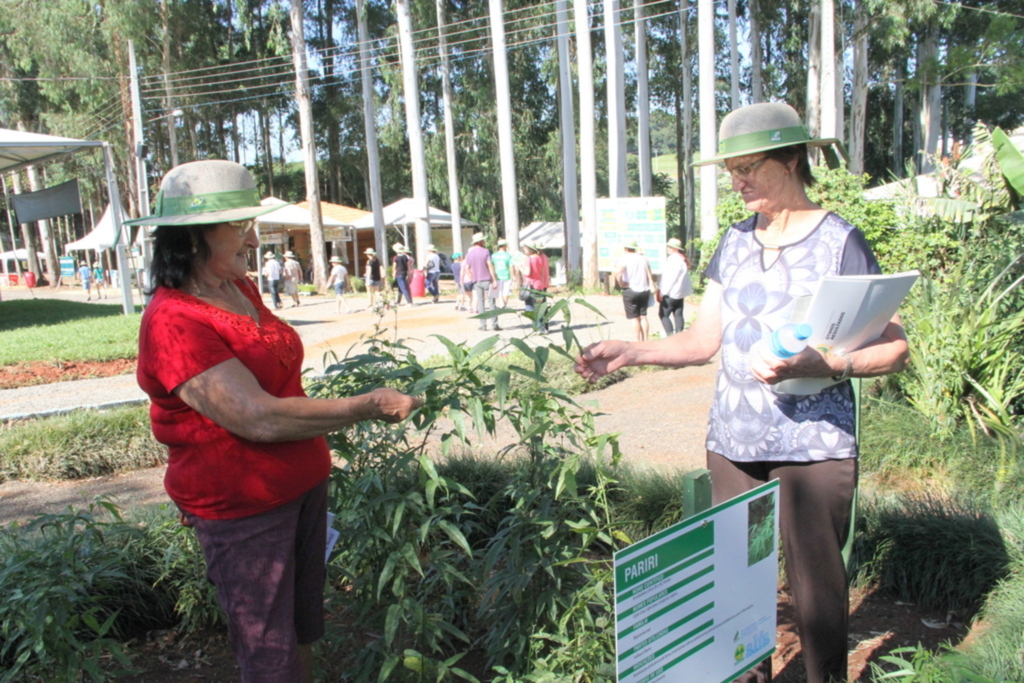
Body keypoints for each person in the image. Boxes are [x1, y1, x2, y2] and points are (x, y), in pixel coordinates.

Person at [574, 102, 909, 683]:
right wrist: (633, 351)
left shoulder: (840, 242)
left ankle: (823, 676)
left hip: (815, 447)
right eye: (731, 169)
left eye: (750, 166)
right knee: (737, 583)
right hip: (733, 442)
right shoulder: (732, 242)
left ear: (793, 160)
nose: (738, 181)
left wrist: (831, 362)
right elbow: (705, 340)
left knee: (816, 588)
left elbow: (896, 346)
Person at [126, 160, 421, 683]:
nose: (254, 236)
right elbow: (255, 417)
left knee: (300, 627)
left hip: (303, 487)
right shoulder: (173, 321)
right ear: (194, 238)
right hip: (244, 508)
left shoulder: (239, 288)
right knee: (268, 647)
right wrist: (367, 405)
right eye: (239, 226)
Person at [614, 241, 654, 342]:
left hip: (631, 289)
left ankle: (636, 340)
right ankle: (646, 339)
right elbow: (650, 273)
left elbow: (618, 272)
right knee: (643, 316)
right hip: (644, 290)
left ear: (626, 249)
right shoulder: (643, 258)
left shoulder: (625, 259)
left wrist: (621, 283)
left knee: (634, 318)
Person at [658, 238, 692, 336]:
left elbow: (671, 278)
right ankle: (679, 335)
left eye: (670, 247)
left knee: (663, 315)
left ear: (675, 248)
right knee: (678, 314)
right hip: (680, 293)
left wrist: (663, 292)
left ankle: (670, 336)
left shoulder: (673, 260)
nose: (668, 248)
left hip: (671, 293)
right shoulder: (682, 259)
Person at [464, 232, 499, 331]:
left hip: (477, 281)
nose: (484, 241)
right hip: (487, 279)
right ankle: (494, 324)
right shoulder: (486, 251)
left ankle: (483, 325)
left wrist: (473, 277)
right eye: (483, 240)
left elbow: (467, 268)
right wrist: (494, 279)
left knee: (481, 302)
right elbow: (490, 265)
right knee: (491, 302)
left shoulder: (469, 254)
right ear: (480, 241)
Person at [521, 243, 550, 332]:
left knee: (530, 308)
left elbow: (527, 273)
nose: (524, 249)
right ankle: (543, 328)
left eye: (525, 248)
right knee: (540, 307)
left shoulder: (529, 259)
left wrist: (520, 267)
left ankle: (537, 328)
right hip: (540, 285)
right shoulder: (542, 257)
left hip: (531, 285)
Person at [490, 238, 513, 308]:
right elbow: (511, 267)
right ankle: (504, 305)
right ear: (504, 246)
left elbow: (491, 266)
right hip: (507, 275)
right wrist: (513, 276)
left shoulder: (493, 256)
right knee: (506, 291)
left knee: (498, 291)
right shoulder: (508, 255)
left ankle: (501, 303)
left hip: (497, 275)